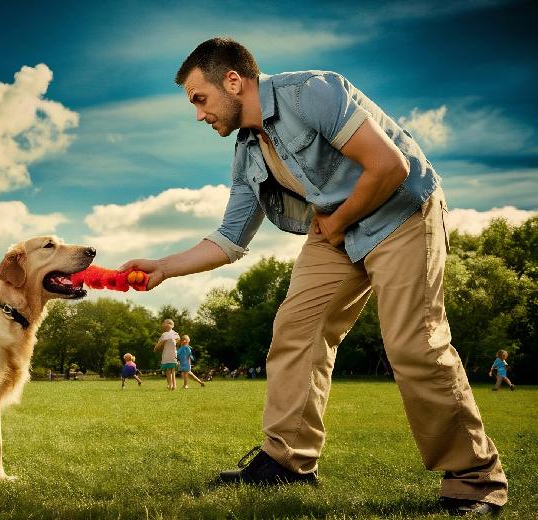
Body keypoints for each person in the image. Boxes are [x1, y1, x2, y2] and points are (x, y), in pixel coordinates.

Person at [118, 37, 506, 514]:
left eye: (200, 98)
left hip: (400, 211)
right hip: (337, 228)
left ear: (234, 81)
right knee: (296, 329)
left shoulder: (313, 93)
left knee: (414, 343)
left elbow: (389, 166)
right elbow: (229, 239)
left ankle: (474, 478)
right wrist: (163, 267)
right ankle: (287, 462)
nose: (199, 114)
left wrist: (339, 222)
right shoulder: (248, 152)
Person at [153, 319, 180, 390]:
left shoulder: (166, 334)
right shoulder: (174, 334)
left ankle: (171, 384)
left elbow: (161, 343)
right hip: (172, 353)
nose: (162, 325)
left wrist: (156, 349)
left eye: (164, 324)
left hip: (168, 353)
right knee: (172, 369)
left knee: (168, 369)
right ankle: (172, 385)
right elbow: (178, 341)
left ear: (169, 325)